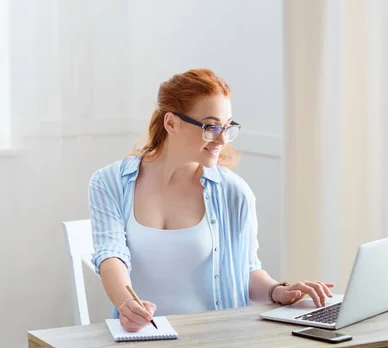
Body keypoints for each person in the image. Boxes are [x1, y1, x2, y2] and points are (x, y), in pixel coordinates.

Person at [88, 68, 334, 332]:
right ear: (171, 123)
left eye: (227, 128)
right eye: (211, 127)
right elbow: (110, 255)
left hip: (217, 340)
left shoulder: (233, 192)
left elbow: (247, 270)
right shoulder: (110, 182)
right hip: (141, 337)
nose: (222, 140)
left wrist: (278, 291)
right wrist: (126, 305)